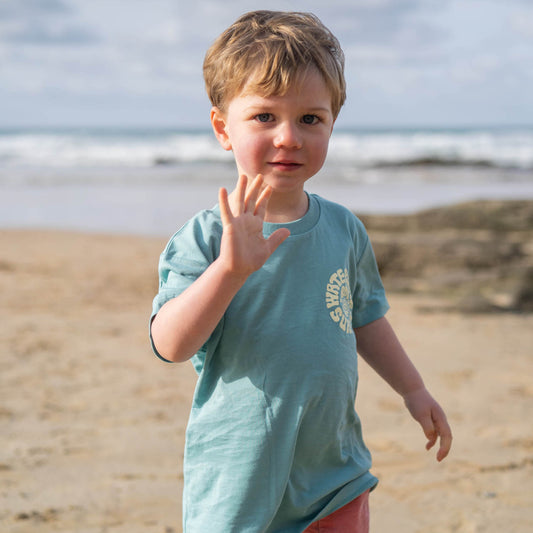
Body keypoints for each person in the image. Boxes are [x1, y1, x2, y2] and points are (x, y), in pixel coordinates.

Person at [150, 10, 452, 533]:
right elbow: (169, 344)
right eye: (265, 117)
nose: (289, 137)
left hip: (334, 474)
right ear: (223, 127)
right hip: (241, 480)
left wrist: (414, 389)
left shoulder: (343, 228)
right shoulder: (203, 238)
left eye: (310, 119)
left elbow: (365, 319)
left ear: (332, 123)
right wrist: (228, 269)